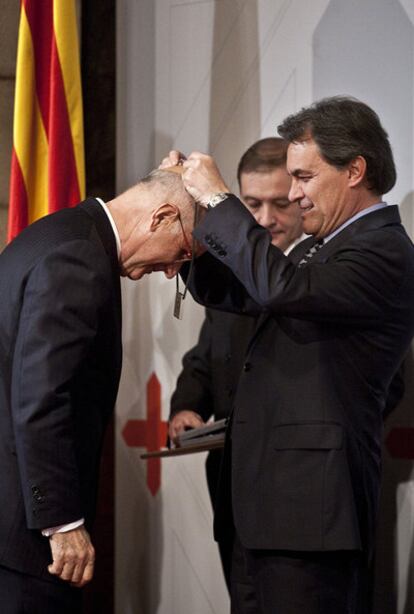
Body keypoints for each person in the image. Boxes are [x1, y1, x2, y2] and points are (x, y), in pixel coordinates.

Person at [165, 96, 414, 613]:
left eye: (303, 177)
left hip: (312, 520)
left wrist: (220, 198)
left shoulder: (383, 250)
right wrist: (188, 225)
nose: (295, 194)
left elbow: (281, 291)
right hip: (263, 513)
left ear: (355, 171)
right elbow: (241, 292)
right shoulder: (312, 249)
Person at [0, 167, 194, 613]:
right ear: (161, 216)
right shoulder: (79, 257)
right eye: (181, 254)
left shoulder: (59, 234)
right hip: (27, 539)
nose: (170, 272)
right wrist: (61, 523)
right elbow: (42, 397)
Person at [168, 137, 304, 590]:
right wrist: (186, 407)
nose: (266, 219)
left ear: (303, 194)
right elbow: (206, 359)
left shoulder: (320, 274)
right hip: (231, 485)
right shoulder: (232, 277)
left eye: (280, 204)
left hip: (298, 492)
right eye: (252, 204)